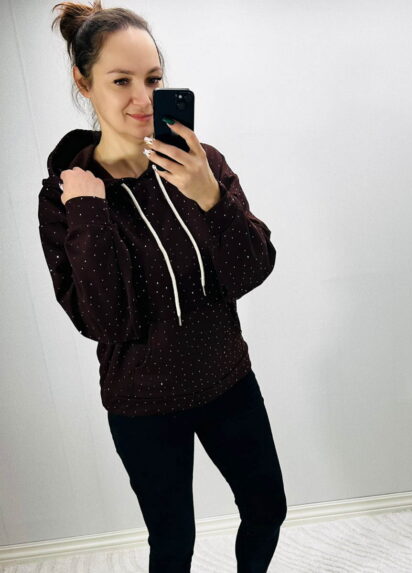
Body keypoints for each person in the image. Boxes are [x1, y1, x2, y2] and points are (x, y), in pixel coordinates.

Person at [39, 1, 287, 571]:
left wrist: (210, 196)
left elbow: (253, 269)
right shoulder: (66, 197)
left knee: (267, 510)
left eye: (153, 79)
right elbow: (103, 321)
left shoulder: (200, 163)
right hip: (142, 404)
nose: (143, 98)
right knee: (173, 543)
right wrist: (89, 213)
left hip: (228, 380)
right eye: (121, 80)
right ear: (83, 82)